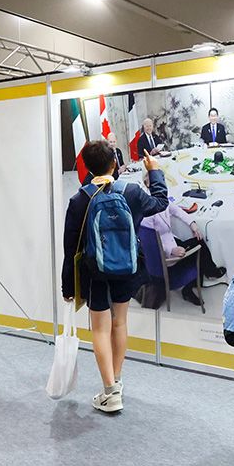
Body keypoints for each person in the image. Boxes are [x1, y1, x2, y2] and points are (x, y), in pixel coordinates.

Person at [62, 140, 169, 414]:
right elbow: (160, 202)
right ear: (115, 164)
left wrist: (67, 285)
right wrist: (154, 170)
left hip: (94, 271)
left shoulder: (79, 199)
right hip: (127, 268)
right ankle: (116, 383)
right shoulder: (131, 191)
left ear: (86, 166)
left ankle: (109, 390)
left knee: (99, 328)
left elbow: (70, 248)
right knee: (119, 323)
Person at [142, 197, 226, 306]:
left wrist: (192, 224)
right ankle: (204, 275)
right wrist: (171, 250)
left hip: (171, 240)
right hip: (165, 255)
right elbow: (150, 241)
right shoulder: (147, 214)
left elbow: (177, 211)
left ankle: (206, 273)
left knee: (198, 241)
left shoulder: (161, 200)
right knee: (199, 248)